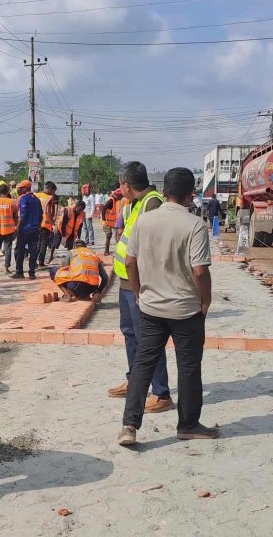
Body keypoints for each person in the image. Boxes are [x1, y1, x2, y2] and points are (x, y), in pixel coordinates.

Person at [118, 167, 215, 446]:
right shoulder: (194, 225)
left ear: (163, 191)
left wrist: (138, 292)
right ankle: (188, 424)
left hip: (150, 307)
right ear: (190, 194)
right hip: (186, 309)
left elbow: (130, 262)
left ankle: (129, 426)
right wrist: (205, 300)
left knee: (142, 364)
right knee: (189, 367)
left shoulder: (144, 221)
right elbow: (199, 271)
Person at [108, 162, 172, 413]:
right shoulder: (135, 203)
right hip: (126, 281)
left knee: (148, 339)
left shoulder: (152, 204)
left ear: (126, 184)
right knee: (130, 334)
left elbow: (156, 247)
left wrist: (141, 286)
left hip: (142, 284)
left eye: (120, 184)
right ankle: (135, 381)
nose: (119, 189)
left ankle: (161, 393)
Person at [11, 180, 42, 280]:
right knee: (33, 251)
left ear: (25, 188)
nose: (18, 190)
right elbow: (41, 215)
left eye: (20, 188)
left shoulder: (24, 199)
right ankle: (32, 273)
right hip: (35, 230)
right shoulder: (37, 199)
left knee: (20, 250)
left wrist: (18, 227)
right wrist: (38, 226)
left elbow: (23, 215)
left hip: (24, 230)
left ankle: (19, 272)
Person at [35, 181, 58, 268]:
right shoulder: (49, 198)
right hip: (45, 224)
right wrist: (53, 223)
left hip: (36, 223)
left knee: (37, 243)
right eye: (53, 191)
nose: (53, 194)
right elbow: (48, 212)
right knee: (43, 244)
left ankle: (33, 261)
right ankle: (41, 262)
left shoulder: (36, 195)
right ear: (50, 189)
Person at [100, 189, 122, 256]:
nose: (120, 198)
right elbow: (104, 209)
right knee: (108, 236)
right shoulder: (111, 201)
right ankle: (106, 251)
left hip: (113, 221)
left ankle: (118, 250)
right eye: (120, 197)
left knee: (117, 235)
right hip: (107, 221)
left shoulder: (115, 201)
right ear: (116, 196)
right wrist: (104, 219)